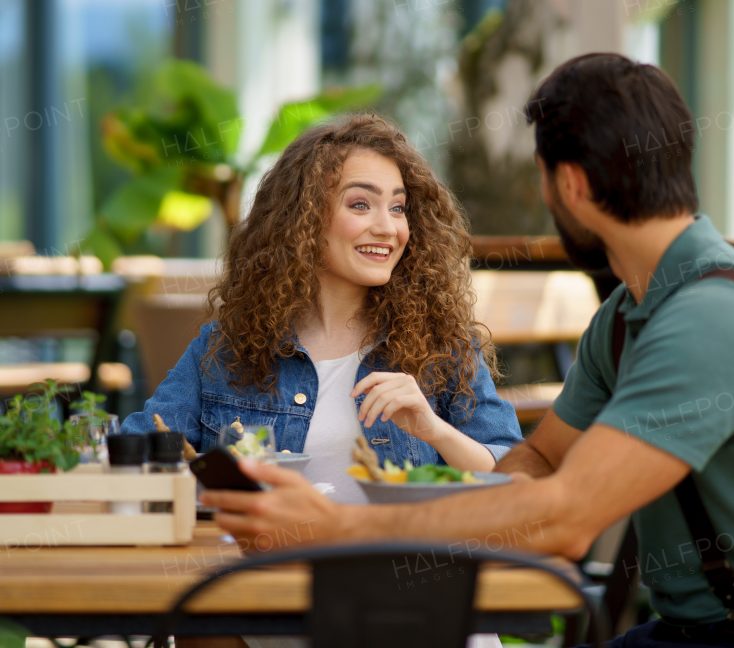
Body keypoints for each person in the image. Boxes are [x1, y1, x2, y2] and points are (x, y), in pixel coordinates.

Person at [202, 54, 734, 648]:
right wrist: (432, 500)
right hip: (685, 634)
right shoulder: (630, 314)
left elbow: (564, 519)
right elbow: (541, 461)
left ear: (572, 186)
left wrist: (341, 528)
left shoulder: (716, 320)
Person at [122, 114, 521, 504]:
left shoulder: (444, 347)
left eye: (398, 208)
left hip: (394, 567)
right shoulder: (226, 351)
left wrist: (434, 430)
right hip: (261, 566)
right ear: (304, 219)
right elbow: (130, 457)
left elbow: (513, 474)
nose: (388, 227)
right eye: (361, 204)